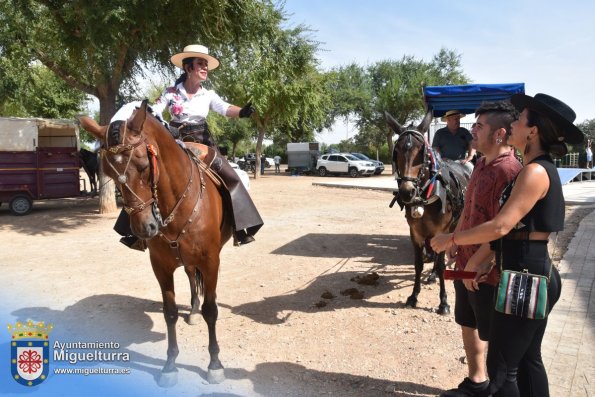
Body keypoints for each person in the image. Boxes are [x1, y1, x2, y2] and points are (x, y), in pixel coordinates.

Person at [431, 93, 584, 396]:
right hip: (528, 271)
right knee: (527, 362)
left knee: (501, 370)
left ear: (533, 130)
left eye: (520, 119)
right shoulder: (534, 168)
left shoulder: (534, 171)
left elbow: (501, 225)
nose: (513, 124)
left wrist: (451, 239)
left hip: (526, 276)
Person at [112, 44, 263, 250]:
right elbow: (154, 110)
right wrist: (138, 112)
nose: (205, 68)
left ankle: (240, 228)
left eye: (206, 64)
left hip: (202, 142)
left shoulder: (208, 94)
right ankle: (135, 234)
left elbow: (225, 108)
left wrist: (242, 111)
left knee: (232, 178)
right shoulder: (170, 93)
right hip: (174, 142)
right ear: (188, 67)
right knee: (146, 177)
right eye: (200, 63)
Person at [440, 102, 522, 397]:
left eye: (478, 127)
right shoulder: (480, 164)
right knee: (468, 321)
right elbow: (468, 208)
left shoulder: (510, 171)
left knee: (495, 338)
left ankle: (496, 389)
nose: (472, 131)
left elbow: (503, 228)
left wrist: (476, 262)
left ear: (499, 134)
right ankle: (477, 381)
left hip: (486, 272)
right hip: (467, 265)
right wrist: (455, 238)